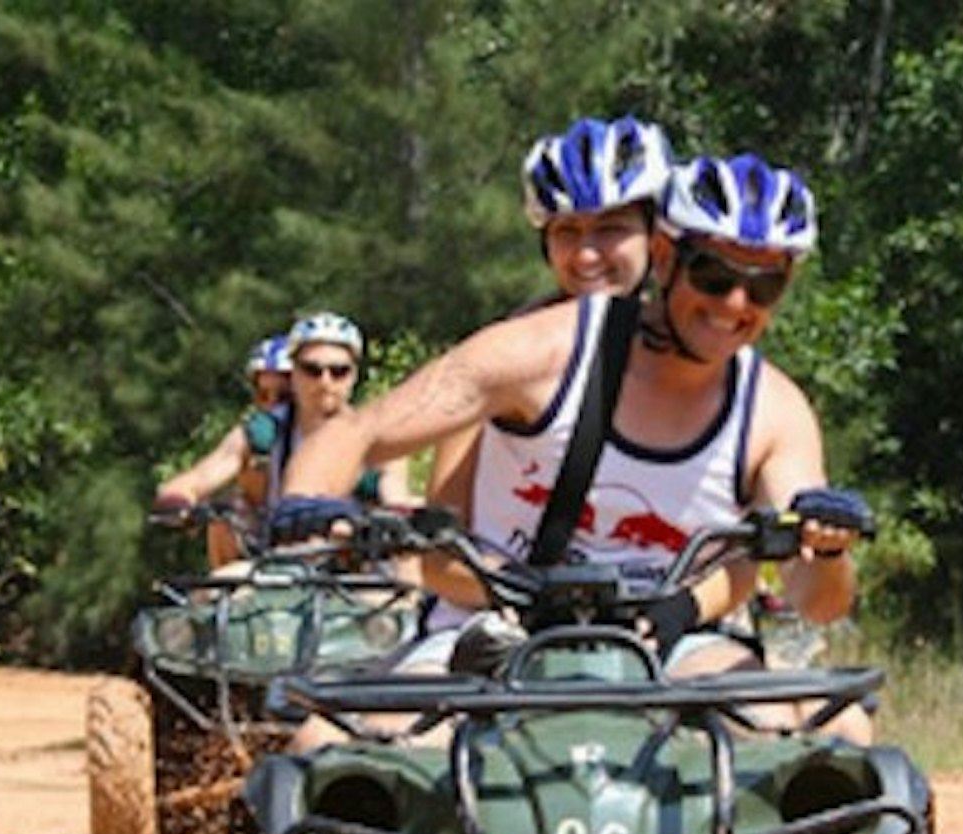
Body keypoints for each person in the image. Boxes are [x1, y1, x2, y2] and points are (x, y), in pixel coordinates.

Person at [273, 152, 874, 735]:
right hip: (491, 625)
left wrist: (827, 551)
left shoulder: (773, 410)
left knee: (818, 729)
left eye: (763, 286)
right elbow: (360, 431)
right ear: (665, 258)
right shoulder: (538, 352)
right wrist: (307, 504)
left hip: (671, 641)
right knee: (359, 745)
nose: (733, 305)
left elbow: (817, 602)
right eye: (713, 276)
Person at [426, 114, 673, 600]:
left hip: (655, 631)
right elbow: (440, 551)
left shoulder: (699, 363)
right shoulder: (500, 356)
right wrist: (529, 595)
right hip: (505, 619)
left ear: (656, 238)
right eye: (567, 232)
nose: (586, 255)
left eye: (611, 229)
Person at [156, 313, 415, 566]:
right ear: (293, 373)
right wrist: (178, 500)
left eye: (339, 371)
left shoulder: (379, 438)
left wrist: (392, 515)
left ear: (354, 376)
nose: (325, 382)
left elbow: (395, 494)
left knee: (406, 598)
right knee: (211, 595)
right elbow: (201, 476)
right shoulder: (264, 433)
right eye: (312, 370)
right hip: (275, 564)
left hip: (355, 573)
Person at [154, 334, 293, 566]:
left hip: (336, 565)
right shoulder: (253, 438)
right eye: (263, 395)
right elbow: (204, 474)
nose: (272, 405)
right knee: (223, 518)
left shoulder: (345, 433)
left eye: (285, 397)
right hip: (259, 561)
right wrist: (178, 499)